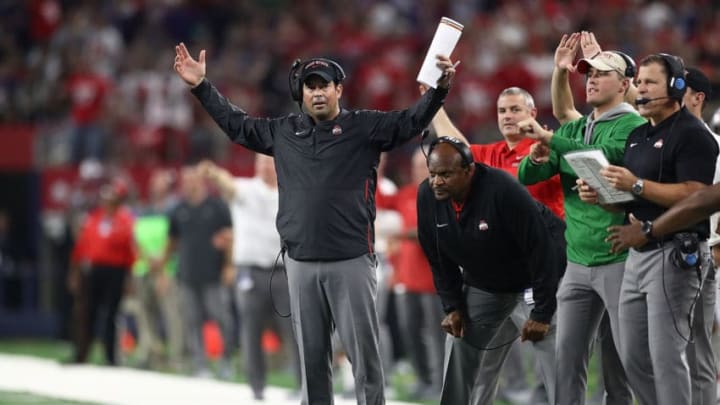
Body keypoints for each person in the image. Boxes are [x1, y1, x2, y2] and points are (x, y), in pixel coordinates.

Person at [173, 42, 456, 404]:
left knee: (364, 358)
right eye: (311, 86)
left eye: (324, 85)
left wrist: (440, 90)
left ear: (339, 90)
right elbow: (237, 126)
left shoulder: (364, 126)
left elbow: (410, 121)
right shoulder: (283, 131)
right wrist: (201, 87)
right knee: (311, 360)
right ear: (302, 93)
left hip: (351, 260)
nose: (317, 92)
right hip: (300, 262)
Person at [577, 53, 718, 405]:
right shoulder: (638, 135)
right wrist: (602, 196)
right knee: (634, 357)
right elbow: (632, 198)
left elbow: (697, 195)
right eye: (638, 82)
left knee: (667, 357)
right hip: (637, 254)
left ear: (677, 86)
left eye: (649, 82)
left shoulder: (693, 134)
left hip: (674, 254)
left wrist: (636, 185)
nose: (640, 89)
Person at [516, 40, 646, 405]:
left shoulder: (633, 127)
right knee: (566, 359)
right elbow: (527, 175)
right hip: (577, 261)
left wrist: (550, 140)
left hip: (619, 259)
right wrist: (541, 155)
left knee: (625, 359)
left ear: (624, 85)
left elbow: (603, 164)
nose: (590, 80)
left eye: (603, 74)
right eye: (588, 73)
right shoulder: (574, 130)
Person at [425, 85, 563, 405]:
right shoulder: (488, 156)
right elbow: (455, 144)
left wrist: (544, 141)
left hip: (539, 277)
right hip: (495, 281)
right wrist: (434, 102)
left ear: (532, 113)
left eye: (515, 109)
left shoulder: (546, 150)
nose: (508, 116)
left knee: (557, 365)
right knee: (478, 366)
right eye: (502, 111)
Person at [199, 156, 301, 400]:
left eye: (269, 163)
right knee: (251, 330)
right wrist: (214, 174)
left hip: (282, 271)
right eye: (261, 164)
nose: (265, 168)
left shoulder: (290, 191)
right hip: (250, 271)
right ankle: (257, 387)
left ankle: (303, 384)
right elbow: (228, 185)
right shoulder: (246, 189)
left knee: (295, 331)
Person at [376, 149, 445, 401]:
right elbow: (380, 200)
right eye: (417, 165)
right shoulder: (406, 194)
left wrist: (401, 236)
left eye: (424, 165)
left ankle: (439, 384)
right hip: (407, 279)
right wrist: (376, 167)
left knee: (437, 336)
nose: (420, 170)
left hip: (433, 281)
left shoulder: (442, 195)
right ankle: (423, 380)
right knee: (410, 332)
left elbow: (430, 232)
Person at [160, 165, 235, 379]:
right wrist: (165, 270)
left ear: (201, 181)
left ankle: (226, 361)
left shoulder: (217, 206)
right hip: (187, 275)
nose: (188, 184)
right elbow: (171, 242)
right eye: (185, 180)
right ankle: (200, 364)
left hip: (213, 274)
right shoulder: (178, 209)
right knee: (192, 321)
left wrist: (229, 266)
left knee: (222, 319)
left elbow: (229, 238)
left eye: (192, 179)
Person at [681, 66, 719, 405]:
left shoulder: (711, 144)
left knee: (701, 351)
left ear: (698, 97)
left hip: (710, 254)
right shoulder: (667, 141)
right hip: (682, 255)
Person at [68, 178, 135, 365]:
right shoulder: (94, 218)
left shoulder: (124, 220)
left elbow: (128, 249)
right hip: (94, 270)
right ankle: (82, 353)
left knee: (111, 313)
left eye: (110, 199)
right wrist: (74, 272)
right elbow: (81, 247)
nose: (105, 203)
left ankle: (111, 357)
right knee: (87, 312)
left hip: (116, 270)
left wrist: (129, 278)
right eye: (104, 199)